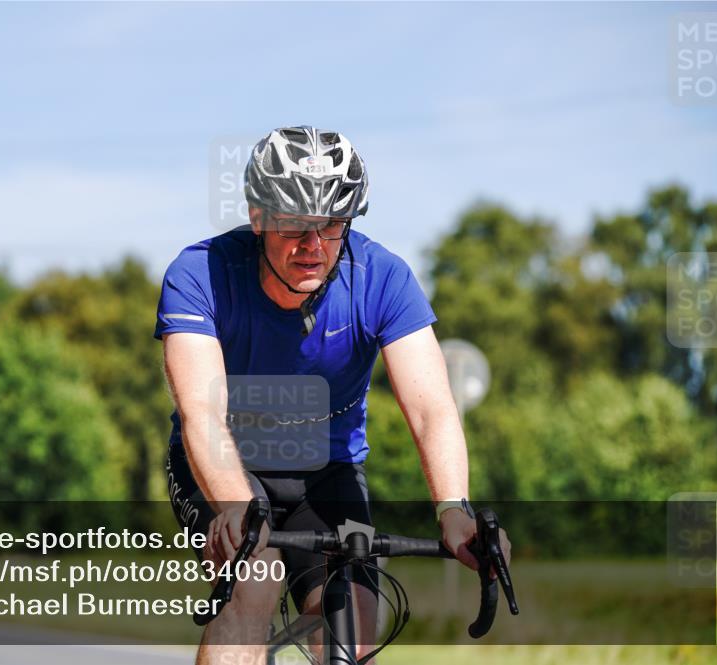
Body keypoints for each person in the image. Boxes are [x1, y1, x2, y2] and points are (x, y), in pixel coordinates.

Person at [155, 125, 511, 664]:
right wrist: (234, 504)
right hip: (223, 464)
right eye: (295, 223)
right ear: (258, 216)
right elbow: (201, 411)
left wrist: (452, 510)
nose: (313, 245)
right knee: (255, 578)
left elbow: (431, 410)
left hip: (328, 471)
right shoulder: (200, 273)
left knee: (354, 615)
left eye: (331, 224)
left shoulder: (383, 278)